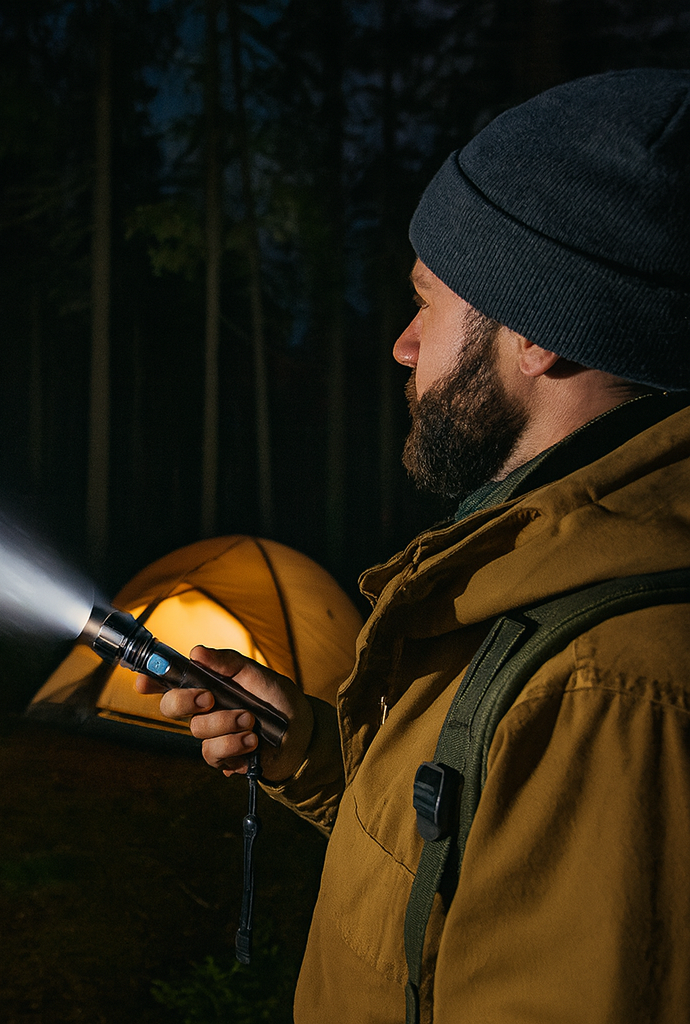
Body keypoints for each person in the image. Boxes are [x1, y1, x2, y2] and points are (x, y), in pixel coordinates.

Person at [137, 68, 690, 1023]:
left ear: (541, 330)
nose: (402, 344)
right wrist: (305, 749)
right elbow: (473, 845)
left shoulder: (609, 693)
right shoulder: (542, 578)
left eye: (428, 302)